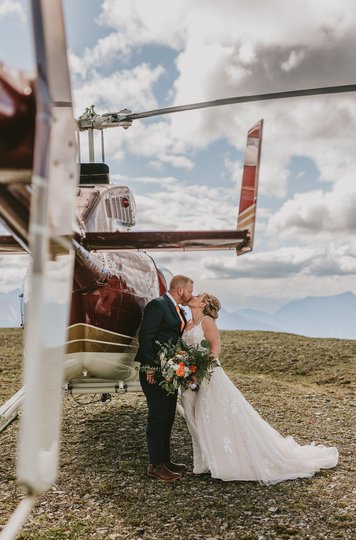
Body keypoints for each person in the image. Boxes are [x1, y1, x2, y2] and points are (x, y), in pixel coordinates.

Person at [181, 293, 339, 483]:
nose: (194, 295)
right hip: (191, 375)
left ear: (203, 303)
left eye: (198, 295)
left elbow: (215, 349)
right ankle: (206, 460)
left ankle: (226, 461)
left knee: (216, 415)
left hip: (209, 375)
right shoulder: (188, 323)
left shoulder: (207, 321)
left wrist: (200, 372)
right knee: (200, 417)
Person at [137, 274, 194, 481]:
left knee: (168, 415)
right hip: (154, 372)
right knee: (158, 416)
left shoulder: (177, 309)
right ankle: (154, 466)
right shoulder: (158, 305)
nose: (191, 295)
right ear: (180, 290)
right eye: (189, 290)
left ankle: (165, 460)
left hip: (169, 371)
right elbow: (146, 337)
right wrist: (150, 367)